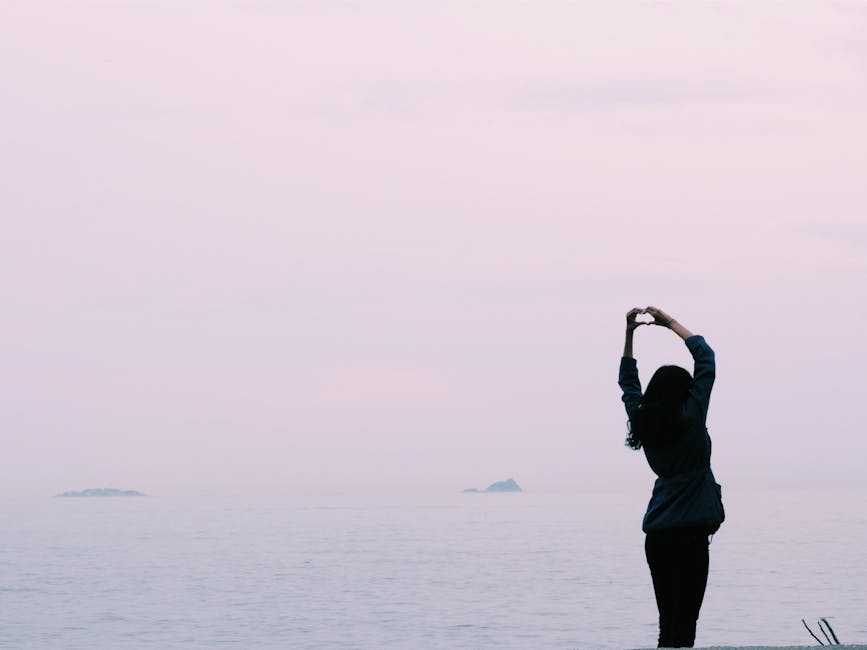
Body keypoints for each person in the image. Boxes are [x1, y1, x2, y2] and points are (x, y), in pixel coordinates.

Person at [619, 306, 725, 649]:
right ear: (685, 392)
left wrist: (629, 333)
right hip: (691, 538)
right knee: (686, 626)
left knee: (667, 626)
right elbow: (705, 357)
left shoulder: (643, 421)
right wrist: (670, 325)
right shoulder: (692, 418)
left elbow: (628, 384)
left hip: (658, 537)